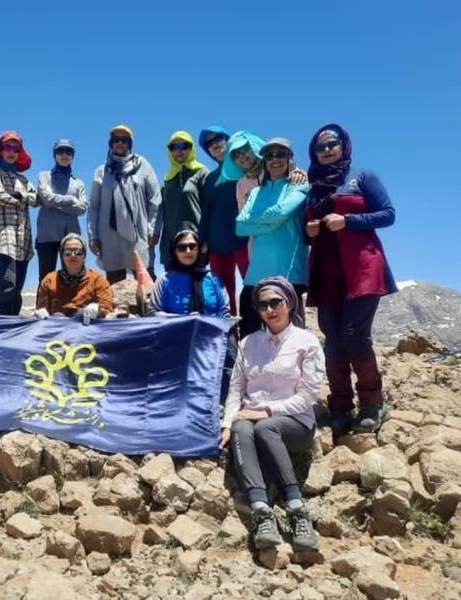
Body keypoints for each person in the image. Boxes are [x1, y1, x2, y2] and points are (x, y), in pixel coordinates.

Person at [305, 124, 397, 435]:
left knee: (354, 335)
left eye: (332, 143)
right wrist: (309, 230)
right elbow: (306, 229)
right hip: (327, 272)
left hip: (362, 269)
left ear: (344, 145)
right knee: (332, 339)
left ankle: (373, 403)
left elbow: (388, 214)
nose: (327, 150)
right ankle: (340, 405)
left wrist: (349, 220)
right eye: (320, 147)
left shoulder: (363, 176)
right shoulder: (313, 187)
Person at [220, 277, 323, 551]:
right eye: (263, 305)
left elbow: (308, 396)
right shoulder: (248, 343)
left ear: (289, 303)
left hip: (295, 424)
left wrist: (266, 411)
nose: (269, 310)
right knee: (241, 428)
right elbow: (236, 390)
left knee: (266, 427)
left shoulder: (307, 342)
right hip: (251, 420)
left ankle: (296, 508)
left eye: (276, 302)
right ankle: (261, 511)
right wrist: (228, 424)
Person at [236, 138, 310, 337]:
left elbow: (281, 212)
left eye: (281, 154)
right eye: (269, 156)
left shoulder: (299, 184)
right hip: (255, 275)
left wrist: (256, 221)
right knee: (249, 336)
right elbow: (240, 227)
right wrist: (273, 221)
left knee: (290, 340)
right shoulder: (255, 192)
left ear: (290, 158)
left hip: (288, 275)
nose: (275, 160)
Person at [87, 125, 162, 284]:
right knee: (114, 283)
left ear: (130, 143)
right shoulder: (101, 171)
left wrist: (153, 228)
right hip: (109, 236)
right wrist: (93, 236)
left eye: (124, 140)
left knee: (146, 279)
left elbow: (155, 198)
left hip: (139, 233)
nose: (120, 143)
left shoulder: (143, 165)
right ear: (111, 143)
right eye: (116, 140)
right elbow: (93, 206)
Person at [196, 127, 248, 316]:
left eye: (218, 138)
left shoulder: (246, 168)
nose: (214, 144)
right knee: (223, 293)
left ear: (228, 139)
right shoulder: (210, 179)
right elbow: (206, 212)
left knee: (253, 287)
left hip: (245, 239)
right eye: (209, 143)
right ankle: (229, 332)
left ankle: (257, 330)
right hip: (217, 244)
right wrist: (201, 240)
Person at [0, 131, 39, 315]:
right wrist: (24, 198)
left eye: (16, 149)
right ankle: (1, 324)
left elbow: (37, 199)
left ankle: (13, 325)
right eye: (7, 147)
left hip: (23, 240)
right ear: (0, 150)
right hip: (3, 238)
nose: (11, 152)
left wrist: (19, 195)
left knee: (17, 289)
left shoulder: (23, 179)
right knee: (7, 284)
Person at [35, 140, 87, 284]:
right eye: (60, 151)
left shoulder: (79, 183)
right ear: (55, 155)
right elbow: (47, 198)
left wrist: (54, 205)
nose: (64, 155)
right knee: (46, 278)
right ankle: (44, 300)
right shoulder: (44, 176)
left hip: (72, 237)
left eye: (68, 152)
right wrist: (71, 199)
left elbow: (82, 208)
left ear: (72, 156)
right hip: (47, 235)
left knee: (73, 276)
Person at [35, 234, 113, 324]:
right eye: (68, 252)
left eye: (78, 252)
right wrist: (41, 311)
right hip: (57, 327)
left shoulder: (98, 279)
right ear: (62, 256)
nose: (73, 255)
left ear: (84, 256)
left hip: (87, 326)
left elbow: (107, 309)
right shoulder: (49, 280)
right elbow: (41, 309)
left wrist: (98, 309)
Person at [156, 131, 208, 268]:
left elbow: (209, 208)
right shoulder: (168, 177)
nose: (179, 151)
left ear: (191, 148)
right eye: (174, 147)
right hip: (171, 244)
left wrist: (206, 239)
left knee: (196, 281)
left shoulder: (201, 172)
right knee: (173, 281)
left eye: (184, 146)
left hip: (194, 243)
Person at [149, 230, 229, 318]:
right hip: (176, 327)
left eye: (192, 246)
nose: (188, 251)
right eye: (182, 247)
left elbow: (224, 312)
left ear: (199, 249)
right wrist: (185, 320)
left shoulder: (213, 279)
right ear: (174, 251)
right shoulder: (164, 280)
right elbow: (154, 313)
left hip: (212, 327)